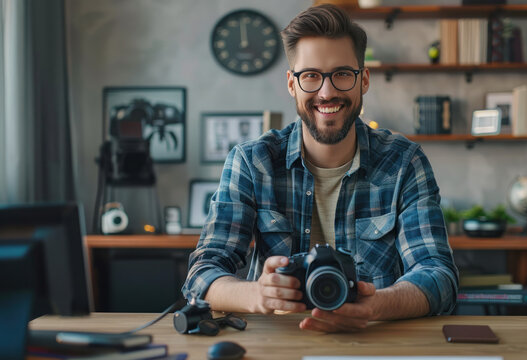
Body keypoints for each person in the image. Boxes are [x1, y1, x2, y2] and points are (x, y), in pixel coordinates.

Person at [183, 4, 458, 333]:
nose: (327, 92)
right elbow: (202, 274)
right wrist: (257, 293)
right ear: (291, 84)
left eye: (342, 74)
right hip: (277, 345)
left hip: (376, 341)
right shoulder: (252, 161)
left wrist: (375, 306)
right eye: (311, 75)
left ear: (363, 79)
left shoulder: (404, 162)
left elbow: (439, 274)